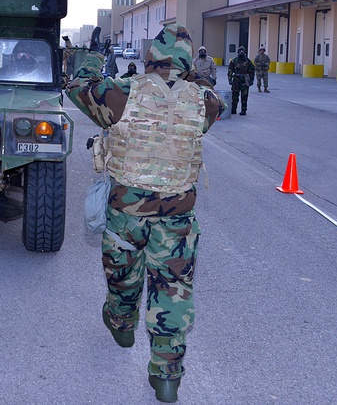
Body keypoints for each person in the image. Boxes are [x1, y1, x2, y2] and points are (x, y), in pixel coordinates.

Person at [66, 24, 223, 403]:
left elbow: (77, 87)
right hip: (178, 217)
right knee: (173, 291)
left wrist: (94, 58)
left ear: (150, 56)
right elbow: (202, 94)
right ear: (186, 61)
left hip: (127, 212)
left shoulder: (121, 94)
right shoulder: (207, 102)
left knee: (123, 276)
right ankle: (167, 378)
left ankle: (122, 326)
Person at [227, 47, 255, 115]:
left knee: (244, 96)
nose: (241, 52)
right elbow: (230, 70)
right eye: (240, 51)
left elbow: (252, 71)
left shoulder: (248, 61)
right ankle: (233, 109)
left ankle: (244, 110)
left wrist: (251, 80)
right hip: (236, 80)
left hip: (245, 80)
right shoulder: (234, 60)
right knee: (234, 96)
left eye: (243, 51)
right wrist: (230, 79)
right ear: (238, 52)